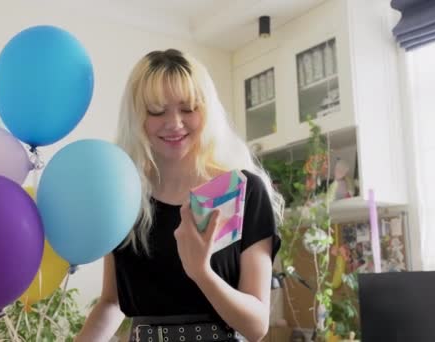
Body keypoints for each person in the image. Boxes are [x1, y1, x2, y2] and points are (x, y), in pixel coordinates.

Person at [75, 49, 283, 342]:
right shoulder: (122, 193)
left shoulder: (240, 191)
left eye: (188, 108)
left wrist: (201, 272)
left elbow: (256, 326)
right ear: (136, 117)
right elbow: (112, 302)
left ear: (207, 110)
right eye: (156, 111)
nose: (174, 123)